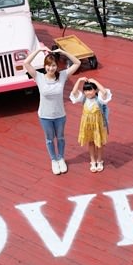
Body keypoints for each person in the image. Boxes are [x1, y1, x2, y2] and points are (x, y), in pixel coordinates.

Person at [24, 47, 81, 175]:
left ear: (57, 66)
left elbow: (77, 63)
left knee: (60, 137)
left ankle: (61, 158)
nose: (51, 68)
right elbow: (26, 63)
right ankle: (54, 160)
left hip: (60, 115)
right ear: (45, 66)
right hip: (45, 116)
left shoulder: (62, 76)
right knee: (49, 139)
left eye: (54, 65)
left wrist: (64, 52)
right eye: (48, 66)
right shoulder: (38, 77)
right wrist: (38, 51)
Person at [69, 77, 112, 173]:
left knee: (99, 143)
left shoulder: (99, 99)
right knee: (91, 142)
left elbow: (104, 92)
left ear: (95, 90)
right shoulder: (83, 98)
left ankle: (99, 160)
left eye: (90, 90)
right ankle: (93, 161)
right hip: (88, 125)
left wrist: (95, 81)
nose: (88, 92)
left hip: (98, 124)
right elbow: (74, 92)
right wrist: (79, 80)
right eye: (86, 90)